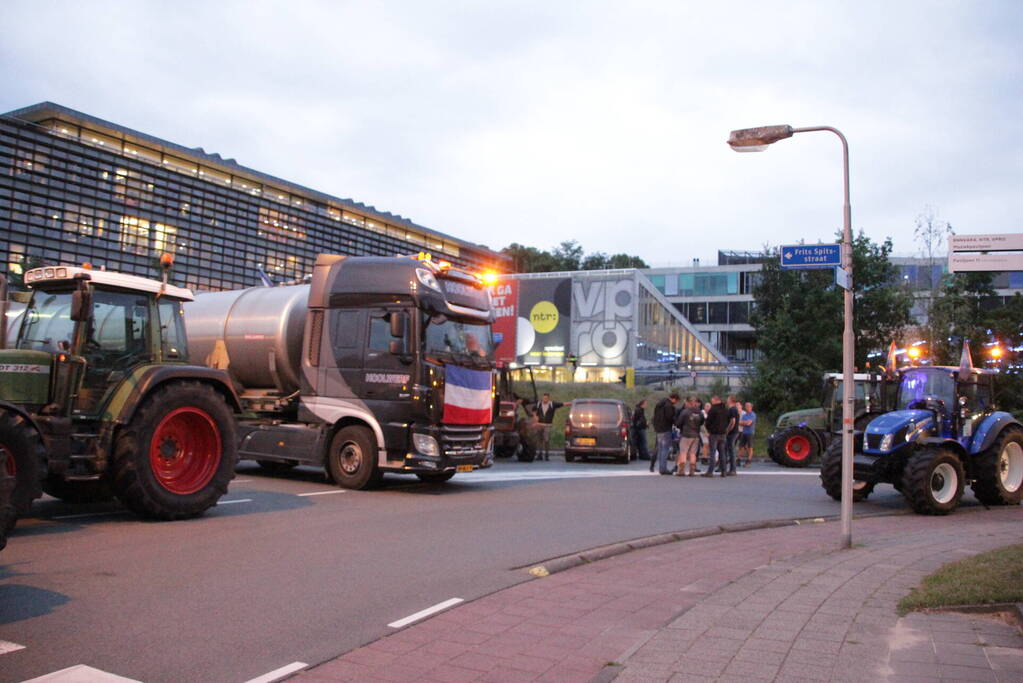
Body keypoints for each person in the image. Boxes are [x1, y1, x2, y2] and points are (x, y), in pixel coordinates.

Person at [651, 391, 680, 475]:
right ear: (674, 399)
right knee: (665, 449)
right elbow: (670, 417)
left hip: (658, 429)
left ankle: (661, 467)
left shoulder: (659, 404)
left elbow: (655, 416)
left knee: (660, 449)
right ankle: (663, 468)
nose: (676, 403)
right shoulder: (669, 406)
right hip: (666, 429)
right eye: (677, 401)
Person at [675, 396, 704, 476]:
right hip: (696, 435)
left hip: (686, 434)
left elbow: (679, 423)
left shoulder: (685, 412)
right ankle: (692, 471)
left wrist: (680, 426)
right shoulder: (699, 412)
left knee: (683, 452)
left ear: (688, 403)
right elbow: (702, 422)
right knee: (693, 453)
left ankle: (681, 471)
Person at [702, 396, 729, 477]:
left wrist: (709, 429)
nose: (711, 402)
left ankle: (710, 472)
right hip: (723, 433)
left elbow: (708, 421)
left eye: (712, 401)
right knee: (722, 452)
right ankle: (723, 471)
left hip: (714, 434)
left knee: (713, 452)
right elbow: (728, 420)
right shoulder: (725, 409)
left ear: (716, 401)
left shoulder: (713, 409)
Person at [534, 393, 565, 461]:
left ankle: (546, 455)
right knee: (539, 440)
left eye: (546, 398)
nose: (544, 399)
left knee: (546, 440)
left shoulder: (552, 404)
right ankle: (540, 454)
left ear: (548, 398)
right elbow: (533, 410)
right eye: (544, 398)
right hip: (539, 425)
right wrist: (535, 417)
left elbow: (562, 404)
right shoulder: (539, 404)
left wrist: (573, 403)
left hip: (547, 425)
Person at [722, 395, 741, 476]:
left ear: (731, 400)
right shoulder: (733, 409)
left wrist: (727, 430)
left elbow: (733, 421)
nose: (727, 400)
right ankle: (729, 468)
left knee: (731, 450)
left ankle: (733, 469)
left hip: (732, 432)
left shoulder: (732, 409)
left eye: (728, 398)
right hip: (733, 432)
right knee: (729, 449)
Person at [738, 402, 757, 466]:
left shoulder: (753, 414)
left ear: (751, 407)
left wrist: (744, 422)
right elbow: (740, 423)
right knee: (741, 446)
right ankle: (738, 459)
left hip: (750, 432)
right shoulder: (744, 415)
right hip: (744, 432)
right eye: (746, 406)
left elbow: (749, 423)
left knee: (750, 447)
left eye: (748, 406)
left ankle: (749, 460)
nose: (746, 407)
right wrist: (745, 422)